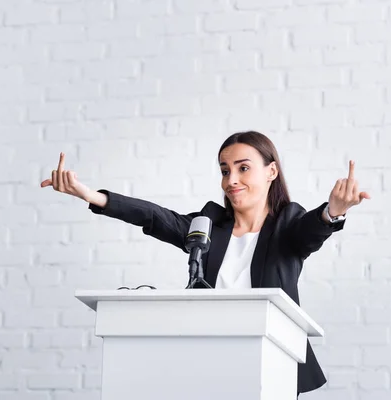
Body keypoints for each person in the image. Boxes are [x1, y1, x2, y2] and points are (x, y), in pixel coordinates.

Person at [40, 131, 370, 396]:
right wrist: (93, 196)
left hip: (272, 362)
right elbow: (157, 217)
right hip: (208, 357)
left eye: (243, 168)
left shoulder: (289, 222)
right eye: (225, 170)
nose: (231, 180)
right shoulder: (208, 224)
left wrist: (334, 211)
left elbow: (311, 232)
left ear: (271, 171)